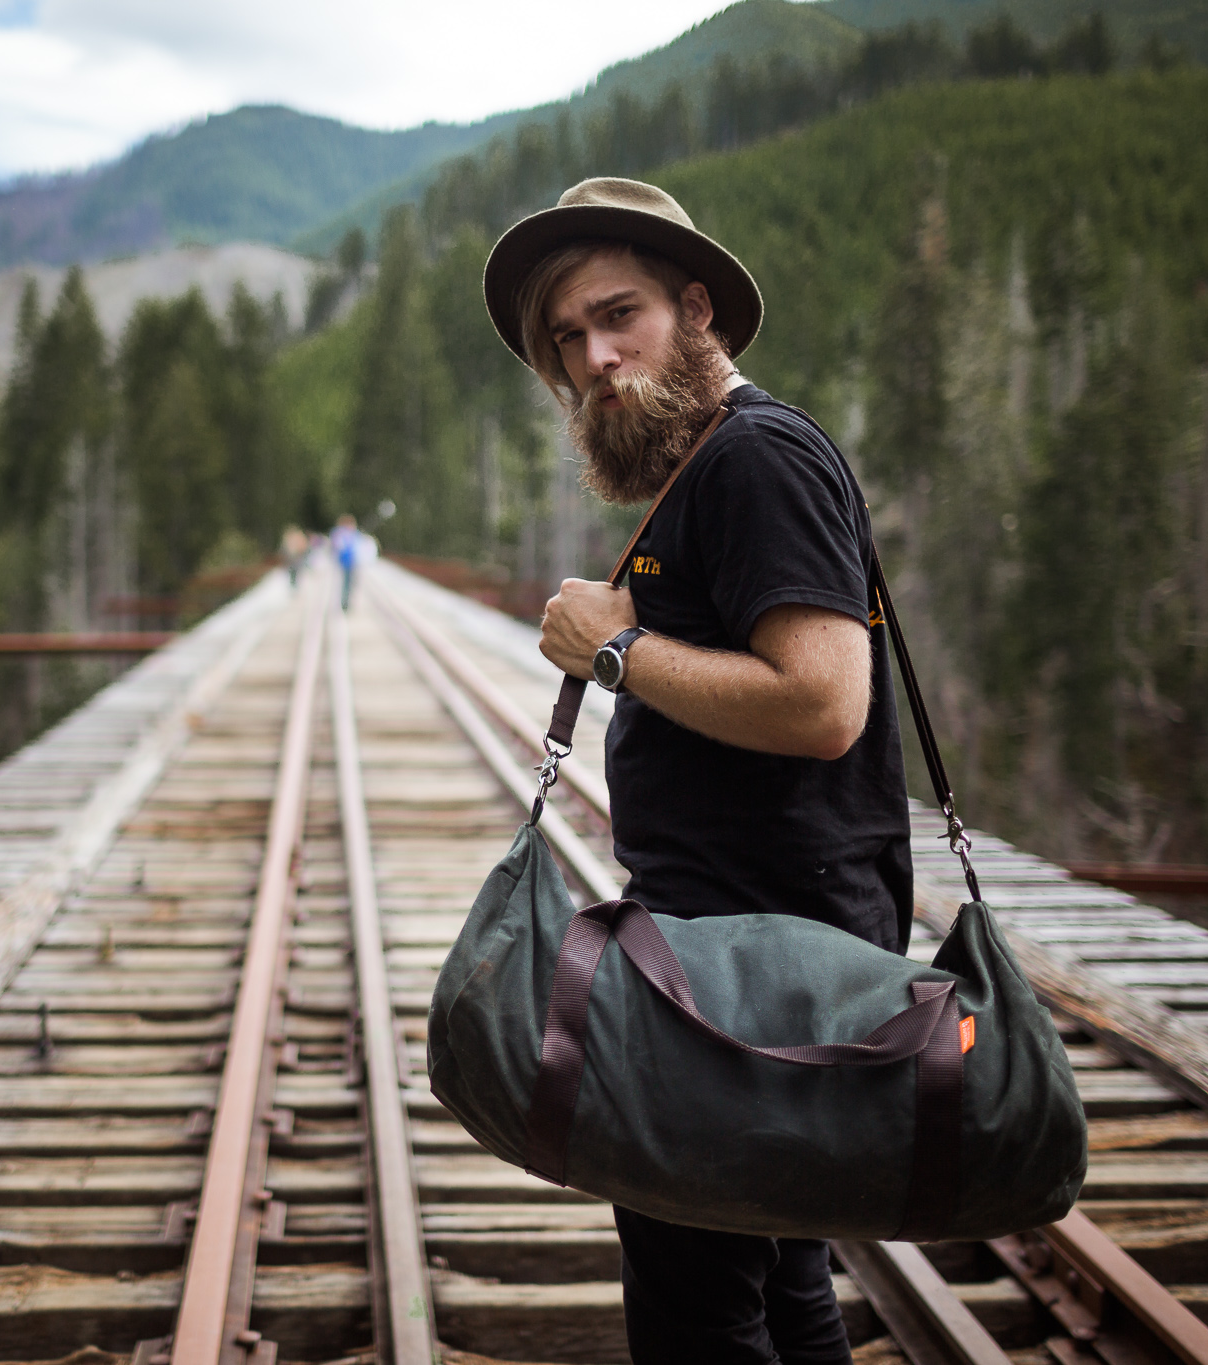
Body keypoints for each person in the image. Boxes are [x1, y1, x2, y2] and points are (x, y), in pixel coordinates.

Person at [485, 178, 912, 1365]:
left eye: (619, 317)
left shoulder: (753, 459)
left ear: (695, 306)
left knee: (693, 1312)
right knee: (776, 1279)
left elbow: (824, 703)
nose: (596, 358)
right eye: (567, 340)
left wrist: (612, 650)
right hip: (752, 946)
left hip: (754, 963)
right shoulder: (711, 463)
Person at [331, 513, 360, 610]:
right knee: (346, 583)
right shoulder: (340, 534)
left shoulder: (353, 534)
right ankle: (345, 602)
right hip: (345, 563)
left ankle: (346, 602)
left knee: (350, 583)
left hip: (352, 562)